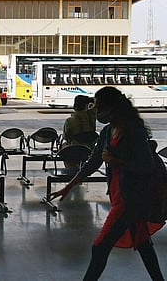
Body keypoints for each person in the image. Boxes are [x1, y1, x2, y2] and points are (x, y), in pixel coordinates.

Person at [49, 86, 165, 281]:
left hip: (131, 199)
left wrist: (118, 161)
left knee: (100, 247)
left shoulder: (132, 130)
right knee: (143, 245)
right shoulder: (108, 131)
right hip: (119, 194)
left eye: (100, 106)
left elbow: (146, 165)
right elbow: (94, 161)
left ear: (113, 107)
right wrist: (69, 185)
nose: (96, 111)